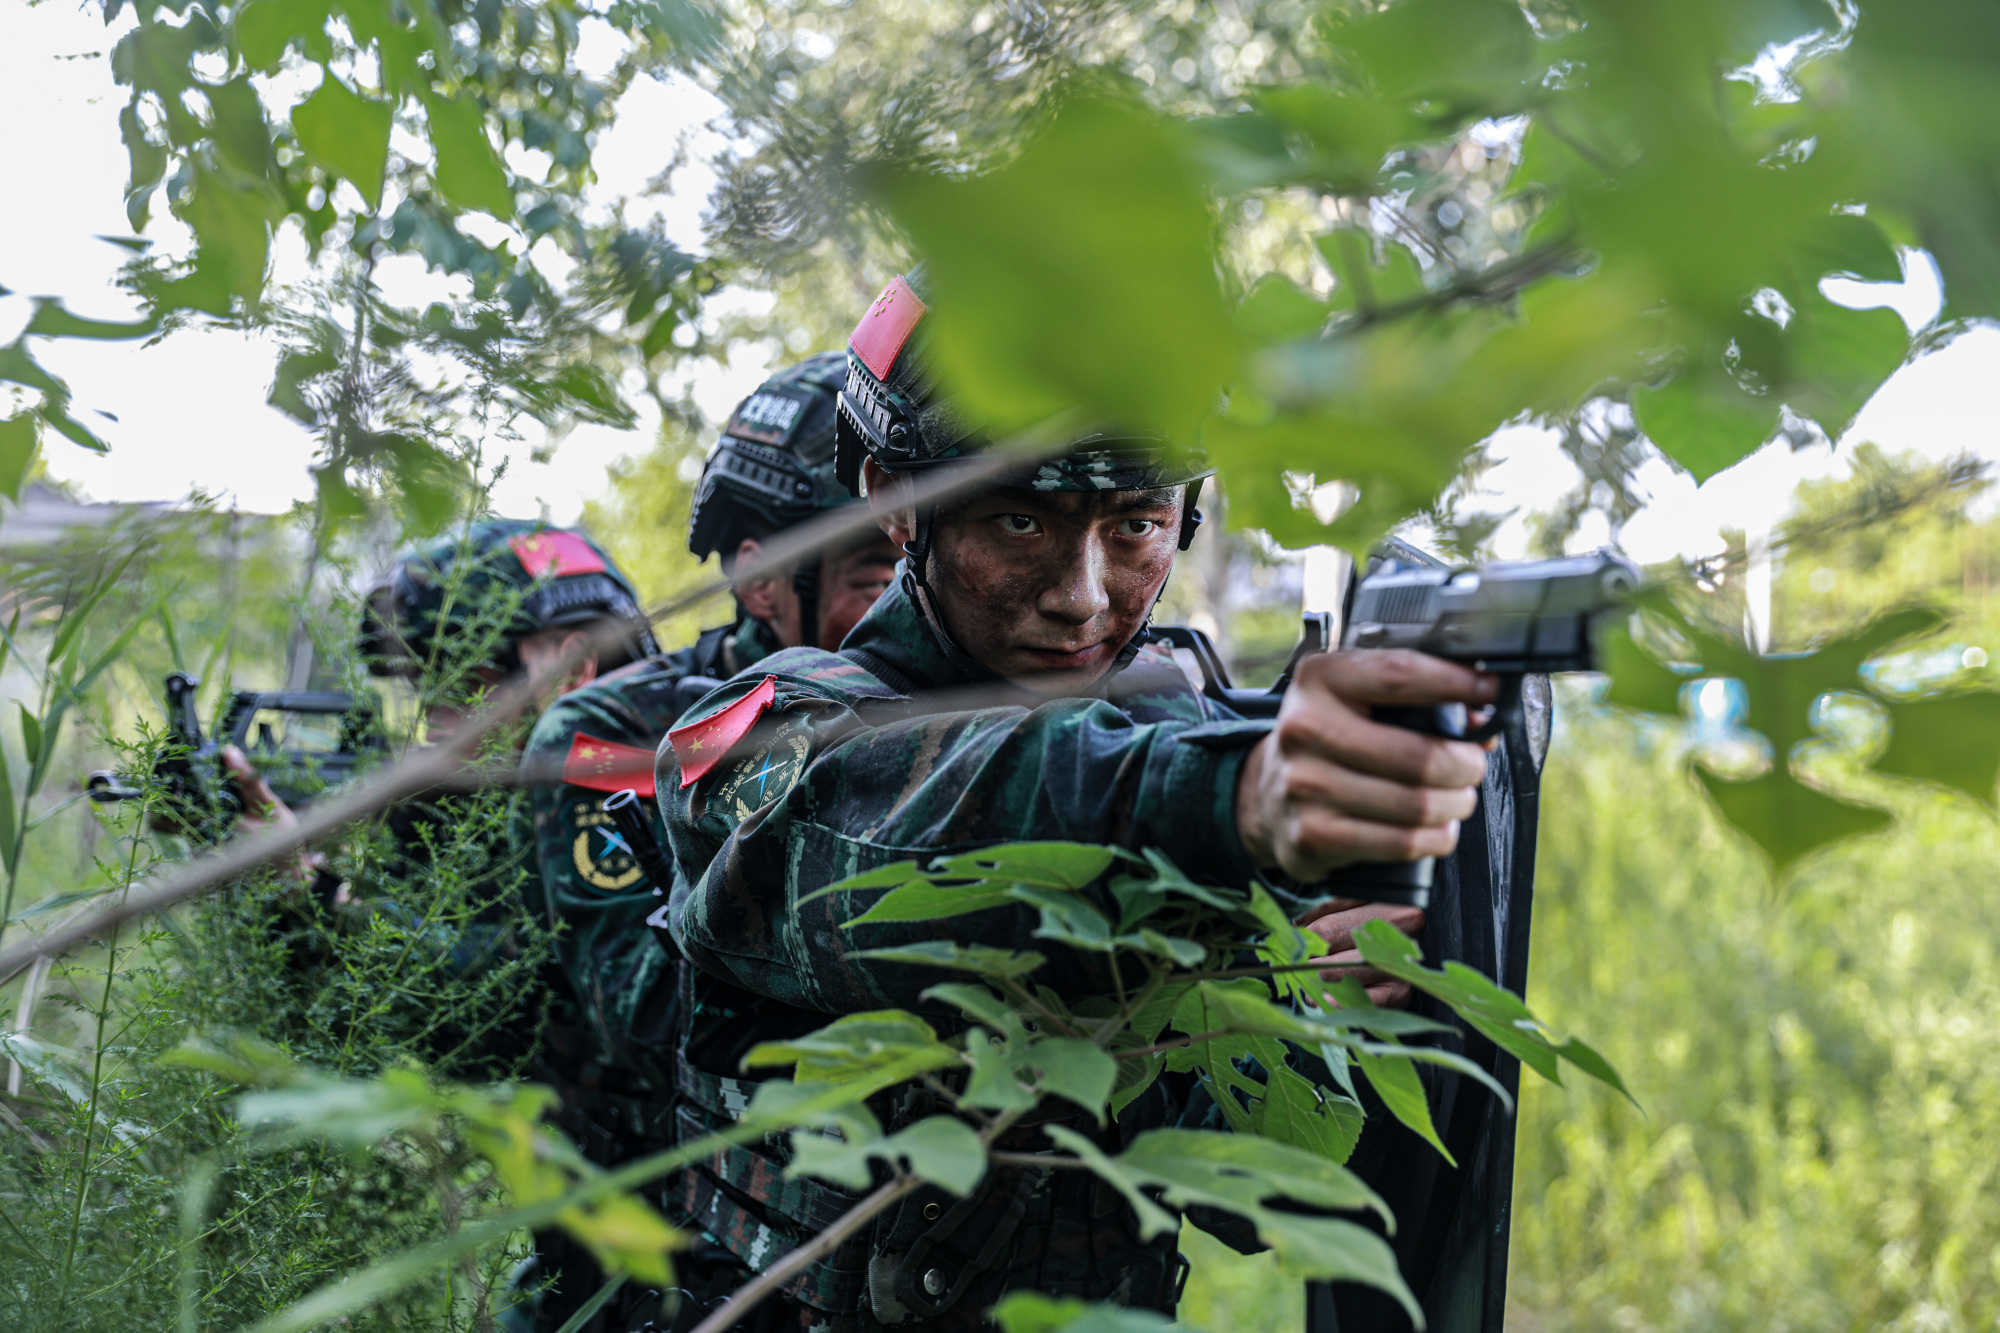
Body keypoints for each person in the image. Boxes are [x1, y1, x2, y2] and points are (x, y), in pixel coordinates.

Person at [656, 269, 1494, 1331]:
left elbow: (1234, 1184)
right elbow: (937, 820)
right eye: (1018, 522)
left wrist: (1308, 1006)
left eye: (1135, 525)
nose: (1081, 594)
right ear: (890, 498)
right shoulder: (763, 733)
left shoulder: (1180, 736)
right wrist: (1229, 799)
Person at [508, 355, 902, 1333]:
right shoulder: (620, 735)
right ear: (761, 579)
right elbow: (653, 1020)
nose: (906, 607)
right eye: (873, 575)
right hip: (649, 1269)